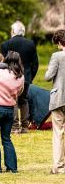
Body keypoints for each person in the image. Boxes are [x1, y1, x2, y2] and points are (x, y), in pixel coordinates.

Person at [1, 21, 38, 133]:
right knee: (24, 100)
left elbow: (4, 64)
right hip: (26, 77)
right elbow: (35, 64)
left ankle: (15, 127)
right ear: (23, 31)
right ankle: (25, 127)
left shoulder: (5, 45)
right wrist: (30, 76)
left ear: (12, 31)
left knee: (13, 101)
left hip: (10, 76)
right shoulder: (31, 44)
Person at [44, 29, 65, 174]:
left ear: (59, 42)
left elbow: (47, 76)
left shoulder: (57, 56)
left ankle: (58, 166)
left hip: (59, 98)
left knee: (58, 132)